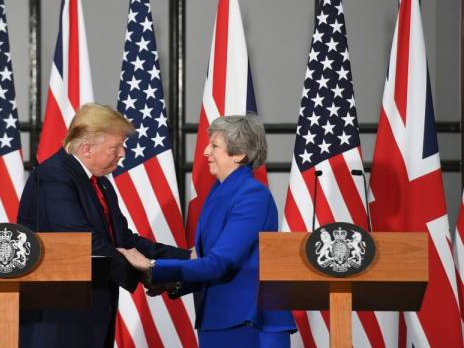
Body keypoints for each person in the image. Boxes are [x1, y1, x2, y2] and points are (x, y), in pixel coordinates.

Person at [16, 103, 190, 347]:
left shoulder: (101, 184)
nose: (123, 154)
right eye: (115, 147)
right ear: (87, 148)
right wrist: (151, 272)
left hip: (90, 318)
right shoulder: (53, 176)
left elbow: (124, 241)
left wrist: (186, 259)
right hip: (56, 321)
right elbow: (84, 243)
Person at [119, 114, 297, 347]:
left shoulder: (251, 196)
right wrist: (175, 282)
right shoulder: (220, 193)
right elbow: (210, 261)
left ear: (240, 154)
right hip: (220, 318)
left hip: (249, 322)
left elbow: (220, 262)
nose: (205, 152)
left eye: (214, 146)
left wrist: (155, 268)